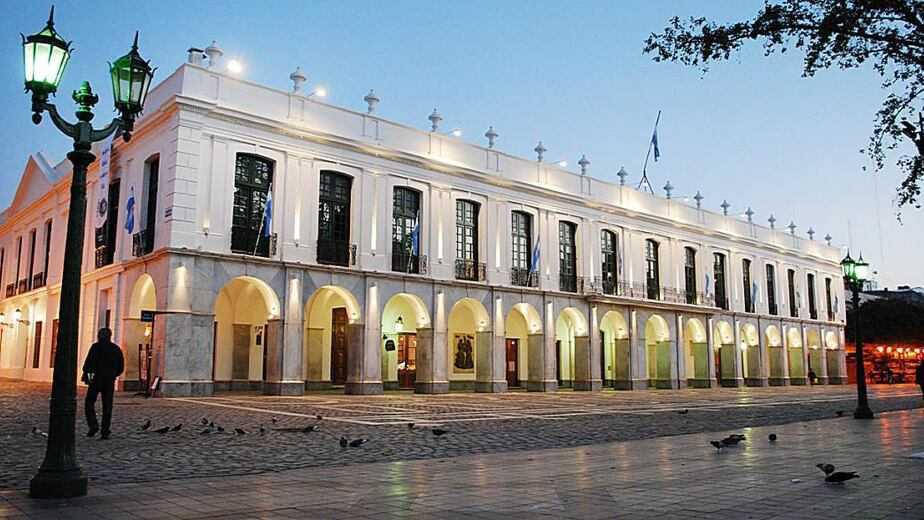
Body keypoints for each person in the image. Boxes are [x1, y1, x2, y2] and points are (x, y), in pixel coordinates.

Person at [82, 328, 124, 439]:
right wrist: (113, 375)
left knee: (89, 403)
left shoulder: (95, 347)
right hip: (109, 381)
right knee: (107, 406)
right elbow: (121, 367)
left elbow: (88, 364)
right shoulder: (115, 349)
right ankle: (105, 431)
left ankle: (93, 425)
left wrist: (89, 377)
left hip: (96, 380)